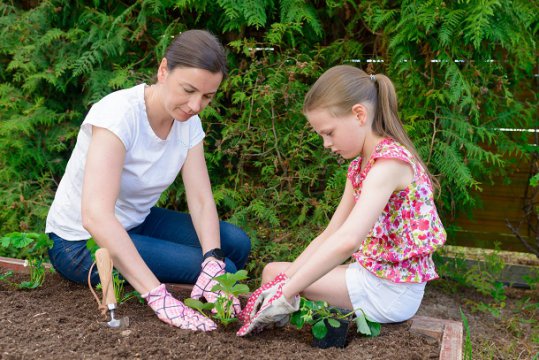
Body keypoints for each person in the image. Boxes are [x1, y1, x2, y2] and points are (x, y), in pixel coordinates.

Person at [45, 30, 251, 332]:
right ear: (163, 70)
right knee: (230, 269)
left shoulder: (188, 122)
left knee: (234, 246)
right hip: (78, 242)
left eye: (207, 96)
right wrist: (159, 298)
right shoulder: (118, 115)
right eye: (188, 90)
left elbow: (202, 199)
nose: (195, 105)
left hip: (134, 220)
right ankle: (171, 288)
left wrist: (212, 260)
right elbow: (95, 216)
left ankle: (204, 283)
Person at [237, 65, 446, 336]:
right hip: (372, 278)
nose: (326, 143)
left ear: (359, 114)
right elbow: (331, 233)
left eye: (329, 132)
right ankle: (285, 329)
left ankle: (273, 333)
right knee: (274, 274)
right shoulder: (361, 166)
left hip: (392, 292)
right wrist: (284, 284)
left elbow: (349, 240)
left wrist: (286, 290)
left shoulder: (389, 163)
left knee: (278, 281)